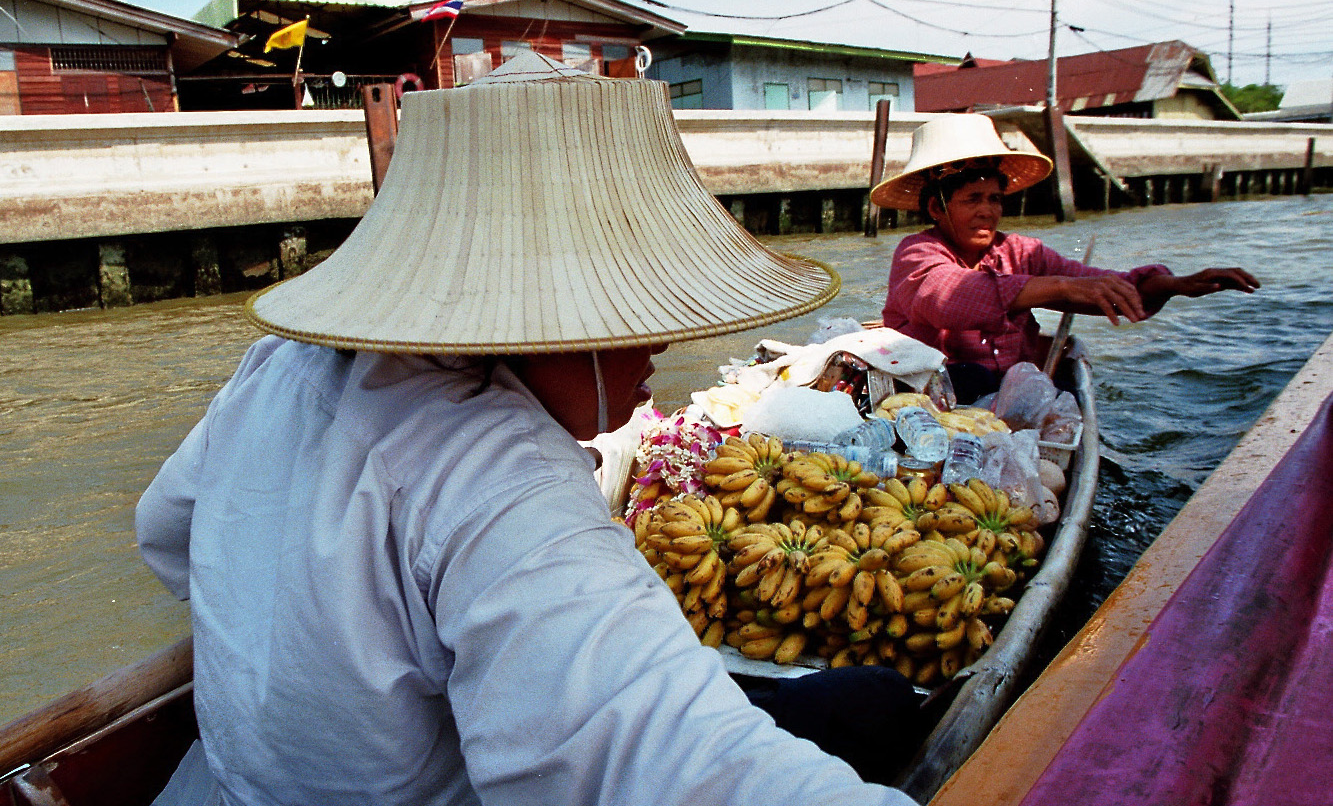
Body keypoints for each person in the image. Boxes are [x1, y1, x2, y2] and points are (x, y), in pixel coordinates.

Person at [136, 52, 920, 806]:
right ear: (547, 314)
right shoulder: (498, 472)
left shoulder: (276, 365)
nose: (660, 342)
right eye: (636, 308)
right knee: (874, 701)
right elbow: (664, 760)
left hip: (232, 788)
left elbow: (165, 532)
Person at [873, 114, 1259, 402]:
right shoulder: (917, 253)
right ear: (936, 209)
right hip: (937, 395)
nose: (987, 212)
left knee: (1046, 387)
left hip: (1007, 392)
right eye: (972, 200)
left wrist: (1176, 284)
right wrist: (1062, 287)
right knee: (973, 376)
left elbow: (1102, 285)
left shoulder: (1022, 252)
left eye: (994, 199)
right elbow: (948, 299)